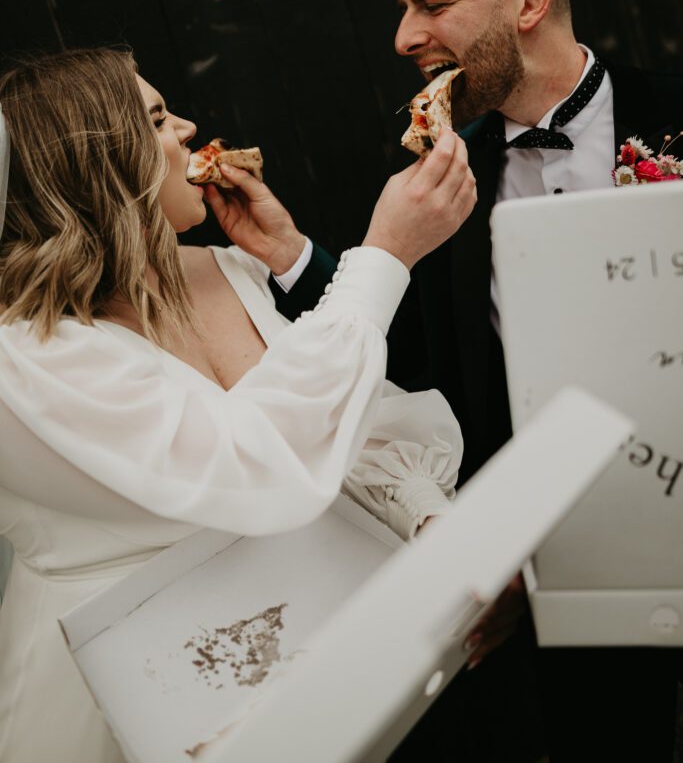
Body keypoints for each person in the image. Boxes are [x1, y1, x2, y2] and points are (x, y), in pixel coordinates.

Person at [274, 0, 683, 762]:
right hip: (561, 609)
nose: (404, 37)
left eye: (430, 5)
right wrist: (288, 258)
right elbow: (395, 359)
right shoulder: (433, 178)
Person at [0, 47, 477, 763]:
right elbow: (255, 462)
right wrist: (382, 257)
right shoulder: (28, 353)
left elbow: (347, 420)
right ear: (103, 165)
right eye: (159, 118)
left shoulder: (225, 265)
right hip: (141, 695)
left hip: (311, 650)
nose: (189, 127)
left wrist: (427, 516)